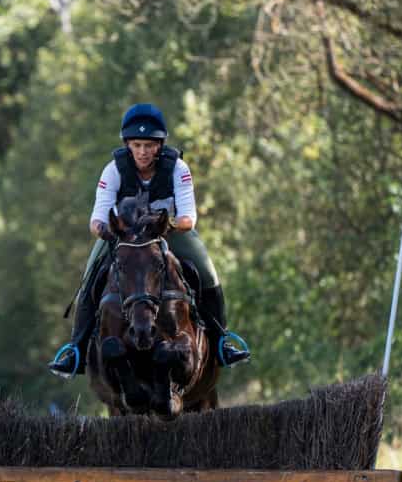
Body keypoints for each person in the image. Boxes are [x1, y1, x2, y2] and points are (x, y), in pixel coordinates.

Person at [48, 103, 251, 378]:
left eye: (149, 145)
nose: (142, 152)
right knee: (90, 277)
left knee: (207, 274)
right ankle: (76, 349)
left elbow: (189, 216)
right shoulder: (113, 170)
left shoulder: (178, 168)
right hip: (124, 235)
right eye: (137, 145)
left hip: (168, 230)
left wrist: (168, 224)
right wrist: (107, 230)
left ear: (159, 145)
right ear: (128, 144)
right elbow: (96, 218)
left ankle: (221, 341)